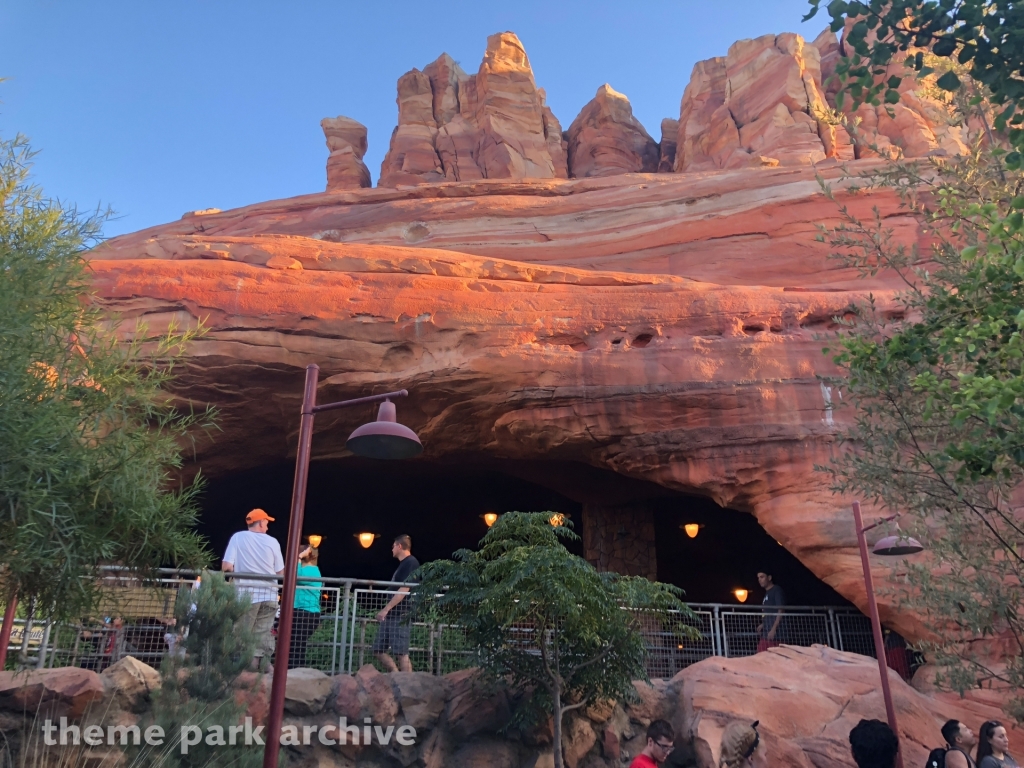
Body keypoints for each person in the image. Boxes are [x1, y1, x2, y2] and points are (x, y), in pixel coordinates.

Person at [222, 508, 284, 673]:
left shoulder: (238, 537)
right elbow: (280, 572)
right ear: (261, 522)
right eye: (267, 523)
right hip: (269, 594)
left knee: (242, 633)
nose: (268, 527)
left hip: (245, 596)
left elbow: (226, 566)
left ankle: (241, 672)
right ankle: (261, 669)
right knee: (262, 634)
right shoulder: (273, 542)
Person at [373, 534, 420, 673]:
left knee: (401, 653)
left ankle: (408, 685)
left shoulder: (411, 563)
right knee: (378, 650)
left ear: (400, 546)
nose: (391, 549)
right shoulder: (404, 564)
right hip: (392, 614)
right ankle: (396, 675)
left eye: (393, 546)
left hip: (400, 614)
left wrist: (386, 609)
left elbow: (404, 589)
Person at [289, 543, 322, 669]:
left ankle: (295, 669)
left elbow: (294, 576)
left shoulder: (312, 570)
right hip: (302, 611)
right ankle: (295, 669)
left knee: (296, 643)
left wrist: (298, 557)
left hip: (306, 612)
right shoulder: (306, 569)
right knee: (296, 643)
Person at [754, 570, 785, 652]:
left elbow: (780, 609)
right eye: (758, 578)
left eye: (762, 577)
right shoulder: (767, 593)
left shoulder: (776, 590)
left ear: (769, 578)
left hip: (776, 635)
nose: (759, 580)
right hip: (767, 632)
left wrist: (773, 629)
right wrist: (763, 624)